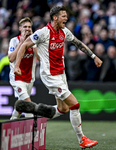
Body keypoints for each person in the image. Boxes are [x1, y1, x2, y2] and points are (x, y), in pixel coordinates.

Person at [14, 6, 102, 148]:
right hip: (50, 76)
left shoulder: (64, 31)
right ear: (55, 18)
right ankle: (82, 140)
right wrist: (17, 66)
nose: (66, 19)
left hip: (61, 74)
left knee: (63, 109)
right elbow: (24, 45)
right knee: (75, 105)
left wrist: (94, 56)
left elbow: (77, 43)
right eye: (63, 16)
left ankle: (36, 113)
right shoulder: (43, 33)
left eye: (66, 16)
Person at [8, 17, 38, 120]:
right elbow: (11, 58)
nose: (27, 29)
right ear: (20, 28)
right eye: (25, 27)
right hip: (17, 78)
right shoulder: (14, 41)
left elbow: (39, 58)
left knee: (21, 106)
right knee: (28, 104)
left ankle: (11, 125)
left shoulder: (34, 42)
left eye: (29, 27)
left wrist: (33, 41)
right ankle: (33, 131)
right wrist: (21, 42)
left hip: (29, 78)